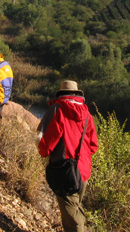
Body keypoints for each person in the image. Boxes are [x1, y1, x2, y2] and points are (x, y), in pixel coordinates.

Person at [37, 80, 98, 232]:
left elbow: (46, 143)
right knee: (75, 208)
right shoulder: (87, 115)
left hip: (64, 171)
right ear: (77, 94)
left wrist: (45, 154)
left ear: (61, 93)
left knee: (72, 217)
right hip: (83, 171)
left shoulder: (58, 109)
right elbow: (93, 146)